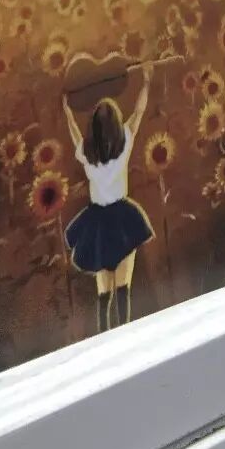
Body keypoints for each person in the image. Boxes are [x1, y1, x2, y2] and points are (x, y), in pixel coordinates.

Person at [62, 63, 156, 331]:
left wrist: (68, 113)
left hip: (97, 223)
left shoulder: (87, 154)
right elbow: (139, 111)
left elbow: (74, 134)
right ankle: (124, 334)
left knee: (104, 292)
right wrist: (146, 82)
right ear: (116, 125)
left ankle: (104, 336)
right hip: (123, 218)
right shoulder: (125, 141)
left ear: (93, 129)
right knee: (124, 287)